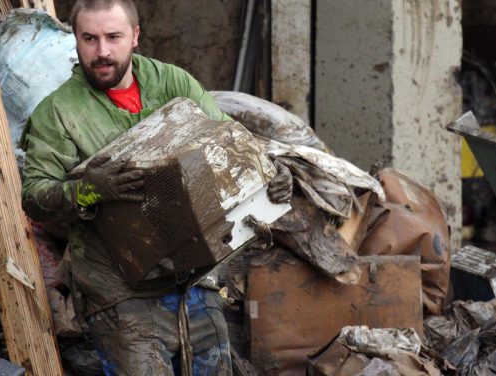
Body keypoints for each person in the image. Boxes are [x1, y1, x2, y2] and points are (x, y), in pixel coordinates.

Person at [20, 0, 292, 374]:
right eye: (89, 38)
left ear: (134, 36)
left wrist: (270, 175)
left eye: (113, 37)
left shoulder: (173, 83)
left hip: (194, 275)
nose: (102, 52)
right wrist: (89, 189)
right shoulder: (58, 112)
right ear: (76, 40)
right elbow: (34, 197)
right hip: (121, 291)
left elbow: (228, 142)